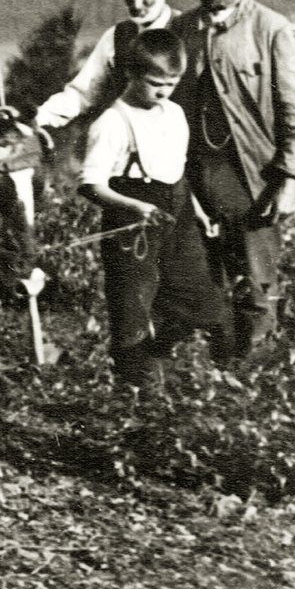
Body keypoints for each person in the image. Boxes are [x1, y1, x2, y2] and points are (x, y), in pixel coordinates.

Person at [164, 0, 295, 364]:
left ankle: (258, 369)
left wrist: (291, 184)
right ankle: (220, 369)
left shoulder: (272, 30)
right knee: (206, 276)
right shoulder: (184, 30)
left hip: (253, 178)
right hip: (196, 175)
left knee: (257, 278)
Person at [78, 29, 214, 389]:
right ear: (132, 74)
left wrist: (196, 211)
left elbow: (177, 171)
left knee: (196, 301)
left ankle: (158, 363)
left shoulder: (175, 115)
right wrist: (136, 206)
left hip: (178, 214)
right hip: (131, 222)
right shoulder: (111, 123)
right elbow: (91, 185)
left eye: (172, 83)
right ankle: (134, 390)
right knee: (132, 308)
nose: (164, 92)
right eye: (156, 83)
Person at [35, 0, 181, 130]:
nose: (135, 4)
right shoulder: (117, 36)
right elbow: (82, 93)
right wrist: (36, 118)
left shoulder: (186, 29)